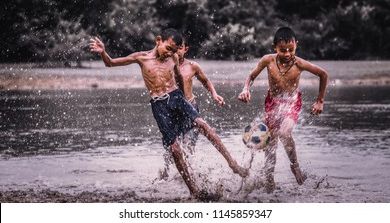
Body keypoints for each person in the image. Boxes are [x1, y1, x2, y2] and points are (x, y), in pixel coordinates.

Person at [90, 28, 248, 200]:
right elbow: (110, 63)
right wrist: (103, 52)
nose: (170, 53)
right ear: (159, 40)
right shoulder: (141, 57)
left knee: (203, 125)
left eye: (174, 51)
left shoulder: (173, 57)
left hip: (177, 97)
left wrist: (184, 98)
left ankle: (232, 164)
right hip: (159, 104)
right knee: (174, 148)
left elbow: (179, 76)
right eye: (168, 48)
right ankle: (193, 190)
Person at [238, 27, 328, 193]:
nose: (287, 54)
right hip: (272, 104)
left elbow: (323, 74)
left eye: (291, 50)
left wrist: (320, 101)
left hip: (291, 103)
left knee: (285, 133)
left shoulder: (299, 64)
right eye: (283, 50)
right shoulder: (268, 60)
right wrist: (245, 89)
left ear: (296, 46)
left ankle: (294, 166)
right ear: (274, 47)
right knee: (271, 143)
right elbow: (251, 76)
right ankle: (269, 179)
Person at [159, 37, 225, 179]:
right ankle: (166, 173)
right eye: (174, 49)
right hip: (172, 111)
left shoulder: (192, 66)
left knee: (188, 145)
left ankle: (189, 175)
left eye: (180, 48)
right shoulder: (165, 65)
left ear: (186, 49)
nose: (177, 52)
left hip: (190, 109)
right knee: (171, 148)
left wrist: (214, 94)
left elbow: (205, 80)